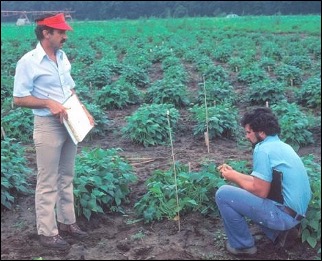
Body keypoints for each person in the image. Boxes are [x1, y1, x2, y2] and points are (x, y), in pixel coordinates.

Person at [13, 13, 95, 250]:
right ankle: (47, 232)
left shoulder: (62, 57)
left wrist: (83, 109)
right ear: (45, 33)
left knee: (66, 175)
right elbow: (19, 99)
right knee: (47, 180)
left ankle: (67, 222)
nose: (65, 36)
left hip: (70, 121)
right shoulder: (28, 62)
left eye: (65, 32)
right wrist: (48, 103)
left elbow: (69, 88)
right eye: (60, 32)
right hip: (48, 125)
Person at [215, 107, 311, 256]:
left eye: (248, 132)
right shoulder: (282, 146)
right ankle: (279, 234)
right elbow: (261, 182)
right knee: (246, 193)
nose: (246, 137)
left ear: (261, 132)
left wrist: (233, 177)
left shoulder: (263, 149)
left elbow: (260, 190)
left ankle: (243, 246)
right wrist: (233, 174)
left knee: (223, 194)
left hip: (283, 216)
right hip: (296, 214)